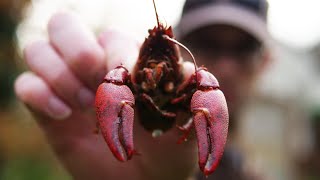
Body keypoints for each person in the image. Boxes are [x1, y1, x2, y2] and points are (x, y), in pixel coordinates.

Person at [14, 0, 271, 180]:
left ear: (266, 62)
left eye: (244, 48)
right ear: (181, 47)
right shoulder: (122, 78)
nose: (225, 67)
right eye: (207, 42)